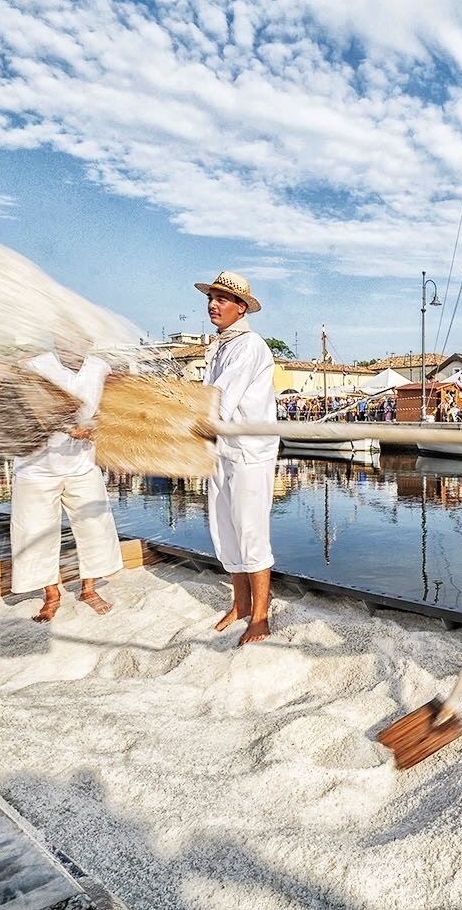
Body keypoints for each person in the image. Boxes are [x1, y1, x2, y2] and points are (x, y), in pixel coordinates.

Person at [9, 331, 123, 622]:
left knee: (95, 525)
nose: (69, 345)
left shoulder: (100, 368)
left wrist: (99, 426)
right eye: (64, 339)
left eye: (76, 340)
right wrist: (65, 427)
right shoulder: (36, 366)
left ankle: (89, 589)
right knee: (35, 531)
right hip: (36, 467)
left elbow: (110, 407)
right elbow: (27, 410)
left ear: (88, 342)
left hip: (82, 462)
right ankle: (51, 595)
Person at [198, 270, 279, 646]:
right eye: (211, 298)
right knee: (224, 527)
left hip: (249, 449)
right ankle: (241, 603)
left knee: (250, 528)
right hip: (223, 448)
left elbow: (220, 400)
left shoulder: (249, 346)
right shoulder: (220, 346)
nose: (214, 304)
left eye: (222, 299)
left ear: (241, 307)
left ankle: (261, 615)